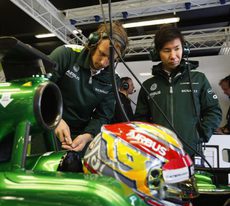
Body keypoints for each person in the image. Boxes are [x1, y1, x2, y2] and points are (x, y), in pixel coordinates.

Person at [135, 25, 222, 158]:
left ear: (184, 49)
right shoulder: (148, 85)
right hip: (158, 155)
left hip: (192, 154)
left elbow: (213, 111)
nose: (173, 56)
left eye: (177, 49)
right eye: (167, 50)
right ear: (157, 53)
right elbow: (141, 120)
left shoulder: (199, 79)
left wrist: (200, 135)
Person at [49, 21, 128, 156]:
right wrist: (55, 119)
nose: (103, 62)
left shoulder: (112, 80)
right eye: (102, 54)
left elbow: (103, 116)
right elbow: (39, 89)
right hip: (48, 126)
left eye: (110, 59)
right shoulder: (65, 55)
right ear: (93, 43)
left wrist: (88, 135)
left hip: (79, 137)